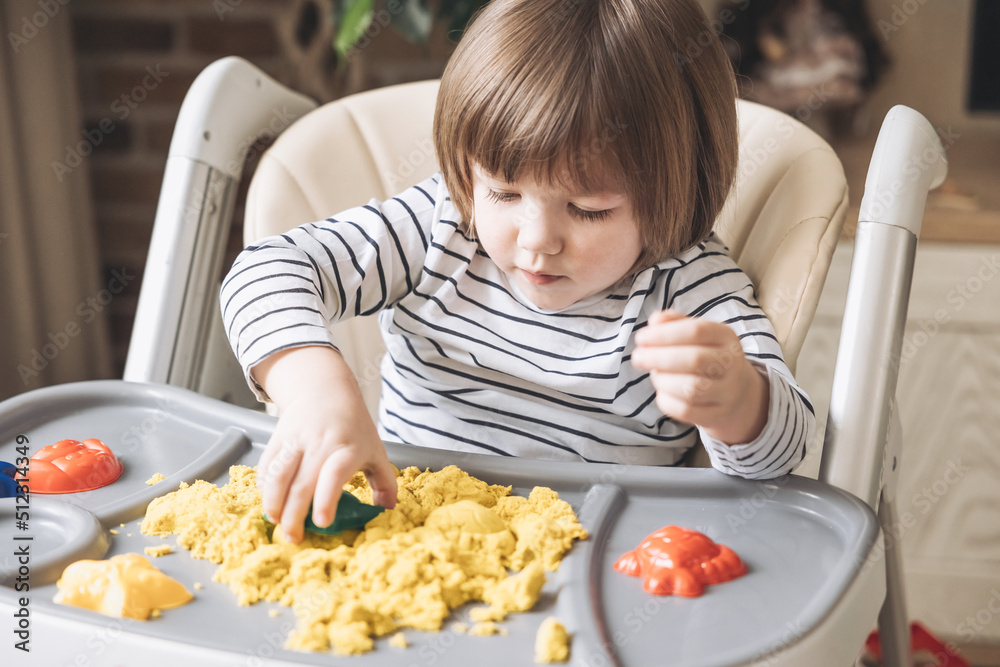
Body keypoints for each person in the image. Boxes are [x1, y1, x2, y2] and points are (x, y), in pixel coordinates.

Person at [221, 0, 816, 543]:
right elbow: (267, 269)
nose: (537, 242)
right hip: (405, 532)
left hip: (588, 559)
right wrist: (315, 391)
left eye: (589, 209)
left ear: (681, 189)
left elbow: (780, 457)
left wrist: (738, 399)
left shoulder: (687, 286)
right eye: (504, 193)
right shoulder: (442, 227)